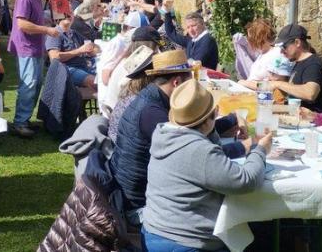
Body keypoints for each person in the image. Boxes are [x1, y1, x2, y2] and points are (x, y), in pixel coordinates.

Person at [109, 50, 249, 228]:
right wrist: (246, 147)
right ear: (176, 83)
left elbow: (191, 129)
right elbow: (197, 154)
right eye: (191, 82)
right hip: (140, 208)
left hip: (138, 195)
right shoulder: (153, 114)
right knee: (221, 202)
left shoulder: (152, 100)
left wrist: (231, 119)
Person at [141, 79, 272, 252]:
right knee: (259, 236)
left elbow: (213, 152)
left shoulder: (164, 133)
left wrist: (210, 126)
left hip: (154, 231)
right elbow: (245, 181)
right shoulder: (198, 150)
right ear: (208, 119)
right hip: (186, 241)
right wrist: (260, 149)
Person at [8, 0, 59, 138]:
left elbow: (30, 21)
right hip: (26, 47)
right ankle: (20, 123)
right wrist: (46, 29)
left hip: (34, 47)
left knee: (36, 85)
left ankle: (24, 119)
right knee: (29, 85)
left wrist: (46, 22)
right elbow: (22, 24)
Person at [101, 27, 163, 117]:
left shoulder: (127, 61)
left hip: (115, 113)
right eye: (157, 47)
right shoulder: (137, 64)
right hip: (120, 116)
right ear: (153, 47)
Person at [271, 24, 322, 113]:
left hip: (313, 123)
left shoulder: (314, 64)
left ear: (297, 42)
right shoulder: (298, 63)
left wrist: (278, 84)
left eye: (284, 46)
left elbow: (310, 93)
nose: (281, 51)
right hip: (298, 119)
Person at [107, 46, 155, 142]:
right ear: (151, 74)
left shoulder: (128, 94)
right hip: (123, 150)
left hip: (115, 146)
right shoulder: (142, 102)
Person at [162, 1, 219, 69]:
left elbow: (196, 62)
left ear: (202, 24)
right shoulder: (191, 40)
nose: (191, 30)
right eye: (188, 27)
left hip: (206, 78)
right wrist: (167, 12)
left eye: (193, 26)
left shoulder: (208, 40)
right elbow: (171, 33)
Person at [46, 20, 98, 90]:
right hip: (66, 69)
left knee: (111, 75)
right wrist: (79, 51)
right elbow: (54, 57)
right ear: (57, 18)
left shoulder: (73, 33)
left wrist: (92, 50)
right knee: (95, 82)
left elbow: (93, 47)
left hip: (84, 65)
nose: (68, 15)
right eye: (64, 13)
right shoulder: (55, 33)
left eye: (70, 12)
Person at [235, 19, 285, 88]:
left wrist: (247, 84)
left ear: (259, 37)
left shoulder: (277, 54)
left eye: (252, 38)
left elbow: (274, 86)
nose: (249, 41)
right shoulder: (262, 54)